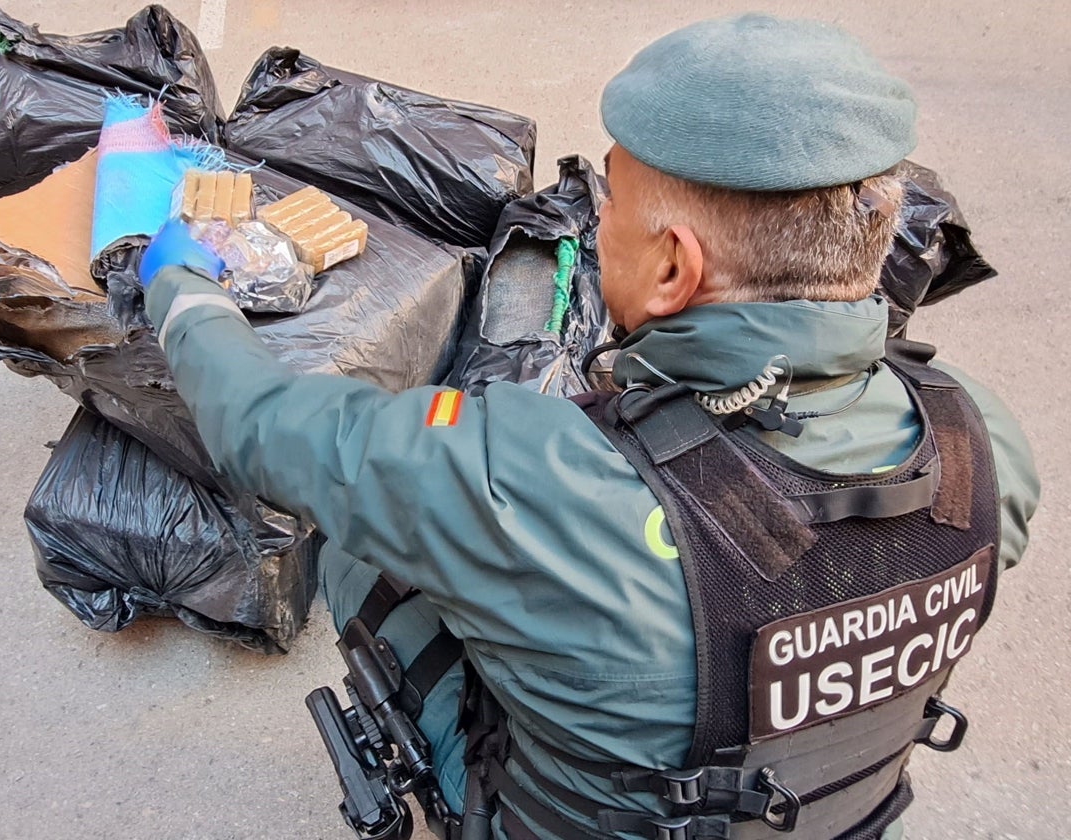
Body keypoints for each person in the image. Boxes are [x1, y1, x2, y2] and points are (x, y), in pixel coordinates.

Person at [138, 13, 1039, 840]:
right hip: (828, 811)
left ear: (673, 269)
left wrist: (182, 288)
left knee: (358, 542)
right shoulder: (978, 439)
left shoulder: (533, 475)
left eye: (611, 201)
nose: (598, 218)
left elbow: (261, 425)